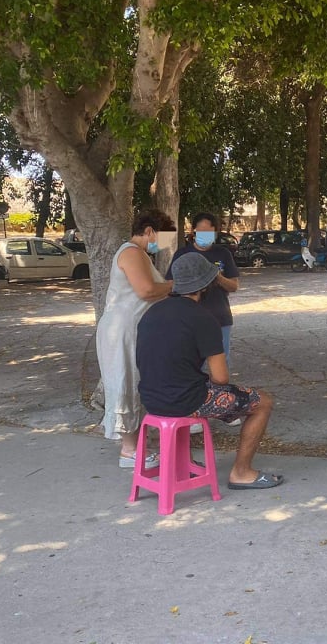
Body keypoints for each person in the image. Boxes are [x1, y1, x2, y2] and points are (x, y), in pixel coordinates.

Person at [136, 252, 283, 489]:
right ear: (205, 285)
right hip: (185, 400)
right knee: (263, 402)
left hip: (151, 398)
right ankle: (242, 472)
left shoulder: (152, 312)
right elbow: (221, 378)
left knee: (193, 387)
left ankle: (181, 463)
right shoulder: (203, 318)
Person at [96, 208, 175, 468]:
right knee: (125, 383)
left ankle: (137, 446)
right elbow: (147, 290)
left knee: (135, 383)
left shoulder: (140, 254)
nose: (162, 245)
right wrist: (175, 285)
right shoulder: (131, 252)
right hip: (122, 330)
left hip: (133, 329)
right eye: (162, 238)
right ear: (149, 231)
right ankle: (129, 451)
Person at [166, 212, 240, 363]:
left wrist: (216, 276)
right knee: (190, 363)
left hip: (219, 318)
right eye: (201, 232)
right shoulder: (182, 254)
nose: (205, 236)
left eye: (209, 233)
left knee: (220, 364)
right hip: (189, 319)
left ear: (215, 233)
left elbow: (234, 286)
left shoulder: (223, 253)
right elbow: (171, 286)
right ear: (193, 231)